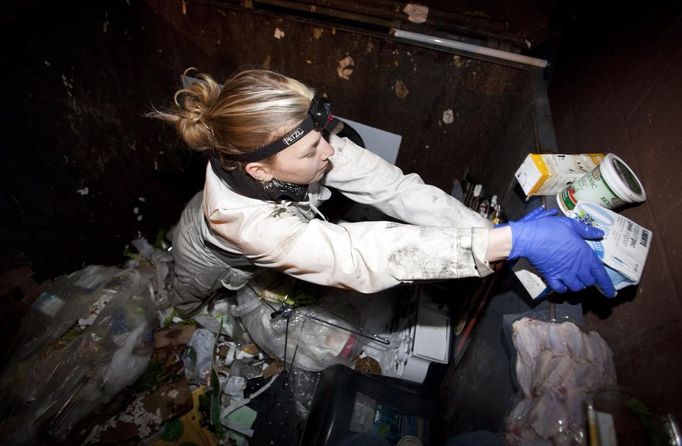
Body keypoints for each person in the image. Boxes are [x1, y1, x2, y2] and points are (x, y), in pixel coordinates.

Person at [151, 69, 615, 316]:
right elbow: (360, 257)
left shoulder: (298, 149)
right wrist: (510, 243)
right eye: (314, 148)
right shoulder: (247, 223)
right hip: (206, 249)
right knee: (186, 297)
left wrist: (494, 233)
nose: (330, 152)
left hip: (265, 221)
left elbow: (395, 190)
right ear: (259, 168)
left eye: (323, 135)